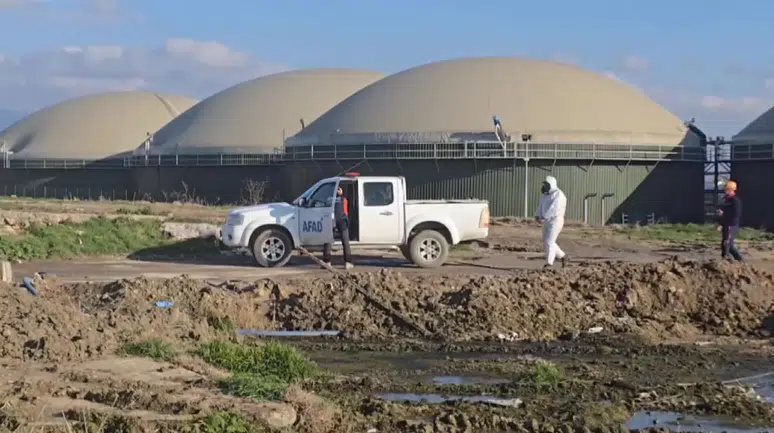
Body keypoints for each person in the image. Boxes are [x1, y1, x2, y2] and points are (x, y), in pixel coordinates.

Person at [535, 175, 568, 268]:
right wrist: (537, 215)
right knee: (547, 242)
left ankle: (549, 263)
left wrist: (544, 217)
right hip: (547, 221)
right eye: (544, 184)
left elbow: (555, 208)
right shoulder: (544, 196)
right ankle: (563, 256)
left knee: (550, 241)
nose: (544, 186)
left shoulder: (558, 194)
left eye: (546, 184)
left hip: (556, 220)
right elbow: (540, 206)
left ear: (551, 184)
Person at [323, 185, 354, 269]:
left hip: (331, 220)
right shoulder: (343, 199)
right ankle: (348, 262)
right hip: (342, 221)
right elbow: (346, 211)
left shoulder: (328, 199)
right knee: (345, 241)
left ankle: (327, 262)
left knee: (328, 241)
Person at [716, 180, 744, 262]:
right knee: (730, 246)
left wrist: (724, 214)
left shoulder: (735, 201)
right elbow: (721, 212)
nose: (725, 191)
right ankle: (741, 262)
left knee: (726, 244)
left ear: (732, 190)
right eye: (725, 189)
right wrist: (719, 223)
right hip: (725, 225)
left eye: (727, 189)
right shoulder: (725, 200)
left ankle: (725, 261)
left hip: (731, 225)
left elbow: (736, 214)